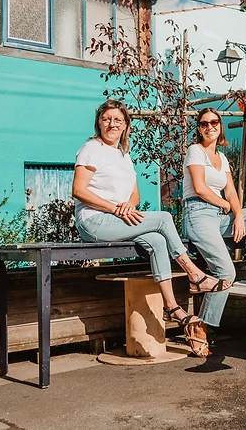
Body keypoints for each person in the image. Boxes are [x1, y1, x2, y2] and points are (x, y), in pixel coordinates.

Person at [72, 99, 230, 356]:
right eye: (107, 119)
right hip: (93, 221)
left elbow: (134, 194)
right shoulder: (91, 149)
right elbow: (78, 190)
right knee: (164, 219)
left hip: (118, 218)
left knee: (157, 240)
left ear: (125, 126)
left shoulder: (123, 155)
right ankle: (194, 273)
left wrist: (128, 205)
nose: (112, 124)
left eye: (118, 120)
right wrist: (114, 208)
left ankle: (172, 307)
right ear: (99, 122)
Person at [182, 108, 246, 355]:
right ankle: (201, 327)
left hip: (219, 216)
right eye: (204, 123)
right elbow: (200, 188)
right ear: (199, 128)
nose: (209, 127)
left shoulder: (222, 157)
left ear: (220, 125)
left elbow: (231, 192)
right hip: (198, 214)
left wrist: (238, 215)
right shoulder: (195, 151)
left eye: (214, 122)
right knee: (226, 270)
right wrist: (227, 207)